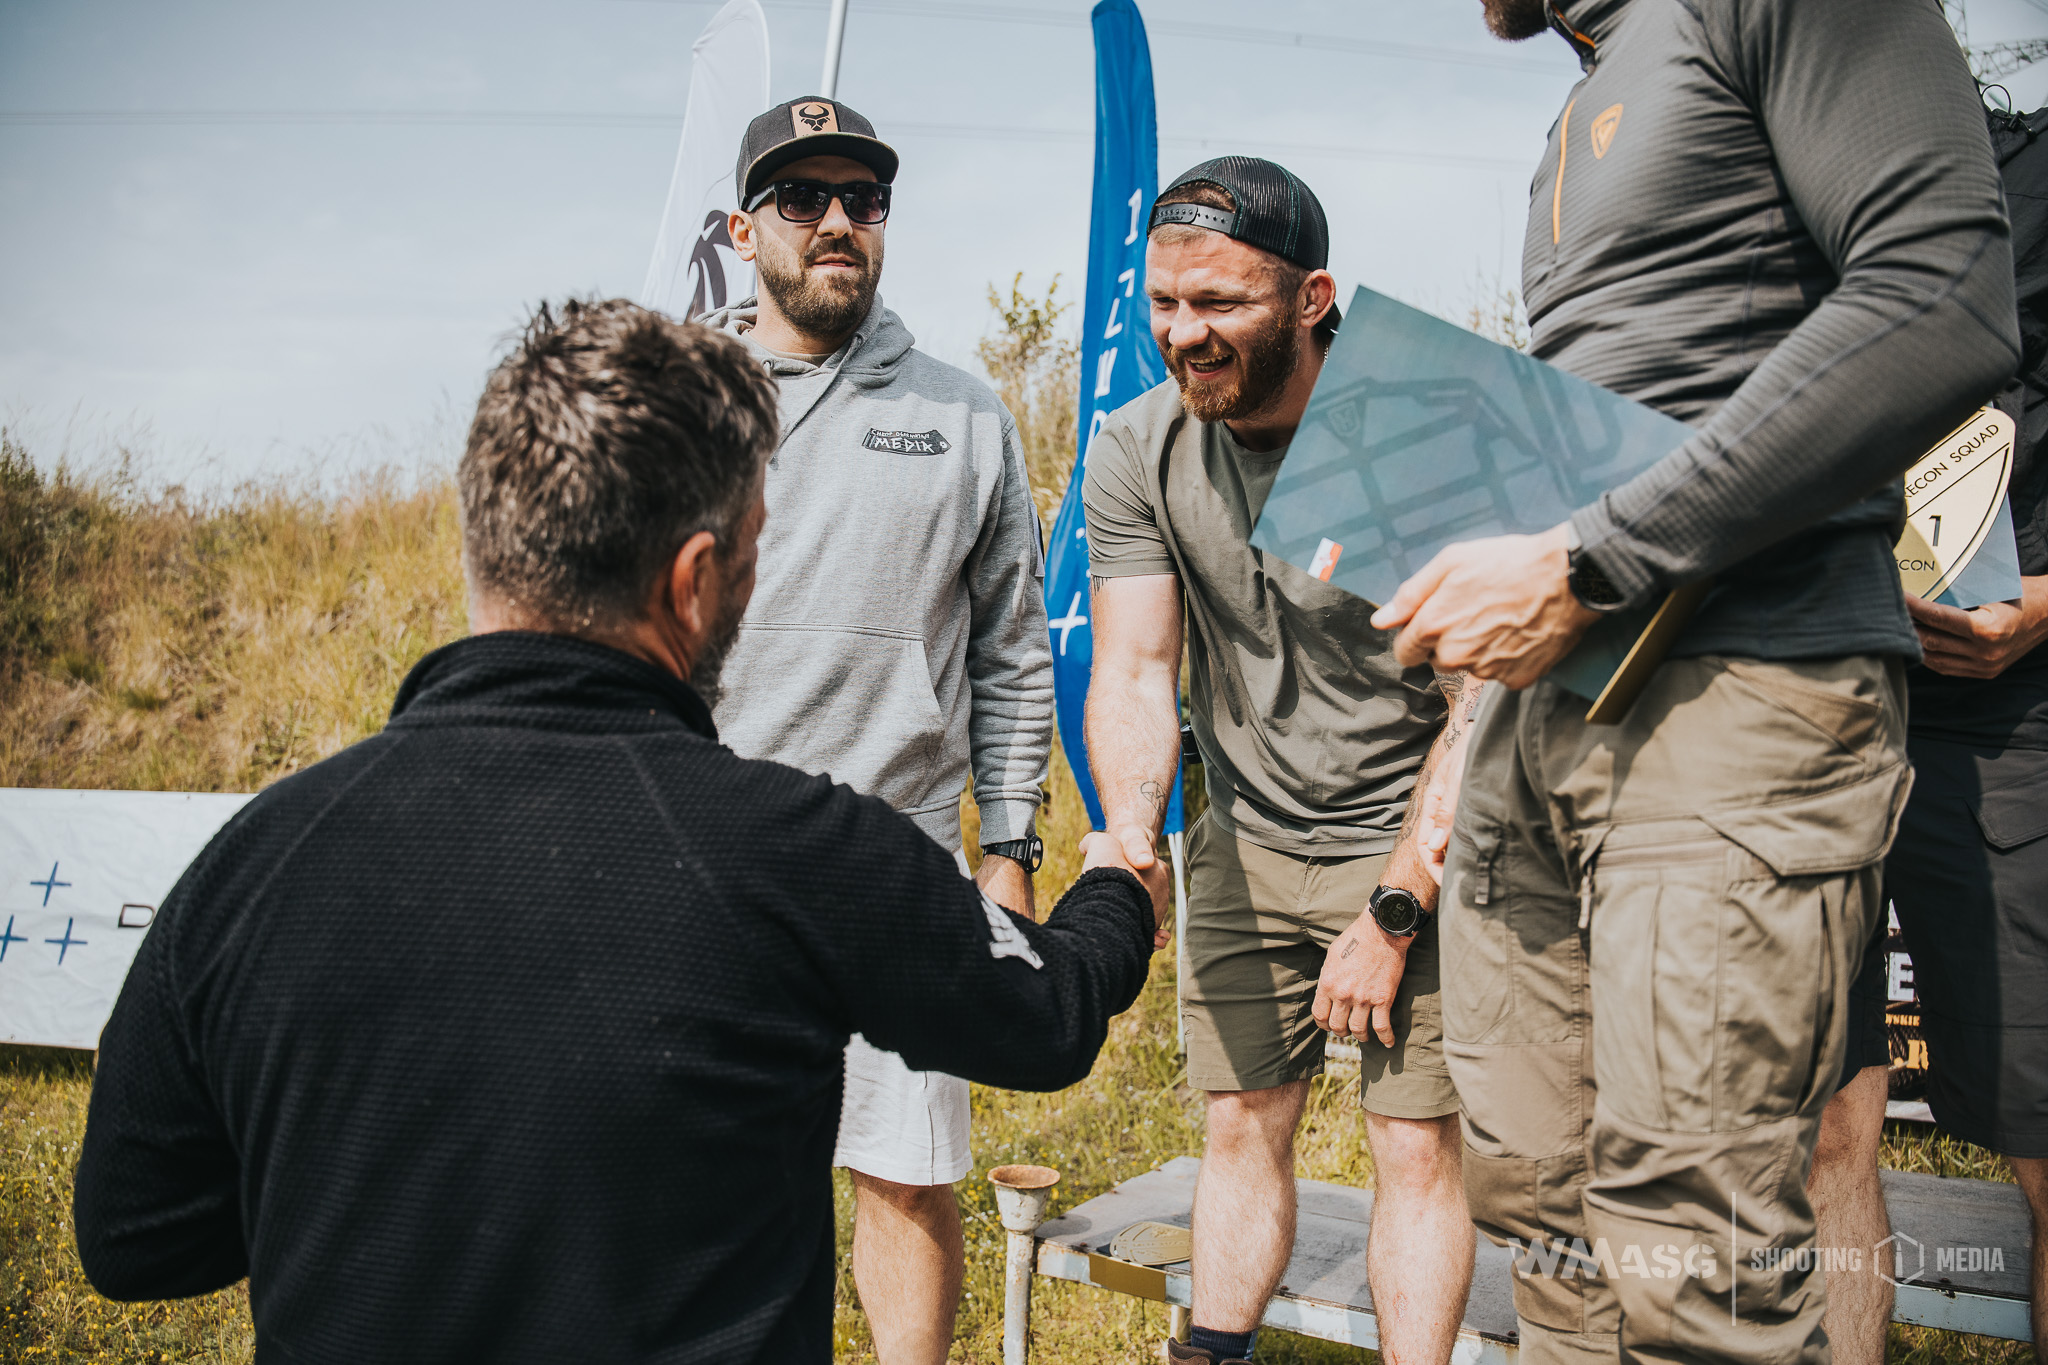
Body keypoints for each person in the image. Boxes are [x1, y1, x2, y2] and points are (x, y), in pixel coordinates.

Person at [70, 299, 1167, 1364]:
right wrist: (1118, 884)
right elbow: (1046, 1014)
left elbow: (134, 1237)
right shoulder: (800, 853)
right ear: (695, 584)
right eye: (752, 552)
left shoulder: (259, 859)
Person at [1383, 1, 2018, 1362]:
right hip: (1547, 712)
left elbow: (1943, 296)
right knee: (1547, 1225)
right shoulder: (1587, 95)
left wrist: (1591, 558)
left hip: (1744, 687)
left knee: (1699, 1265)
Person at [1084, 158, 1477, 1365]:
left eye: (1219, 305)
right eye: (1164, 304)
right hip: (1246, 835)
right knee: (1240, 1121)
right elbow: (1138, 671)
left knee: (1411, 1143)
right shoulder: (1134, 448)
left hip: (1411, 828)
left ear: (1310, 299)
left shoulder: (1412, 439)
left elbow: (1484, 702)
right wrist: (1133, 836)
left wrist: (1399, 902)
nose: (1181, 335)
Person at [695, 95, 1054, 1365]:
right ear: (744, 229)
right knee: (709, 1177)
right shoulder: (683, 406)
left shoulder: (964, 416)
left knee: (904, 1179)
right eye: (804, 199)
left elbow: (1015, 654)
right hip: (706, 852)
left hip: (897, 861)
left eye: (864, 199)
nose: (839, 221)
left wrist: (1008, 840)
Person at [1808, 99, 2048, 1365]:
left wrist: (2043, 607)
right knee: (1821, 1129)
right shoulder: (1720, 182)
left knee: (2044, 1134)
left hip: (2003, 717)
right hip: (1793, 715)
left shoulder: (2028, 169)